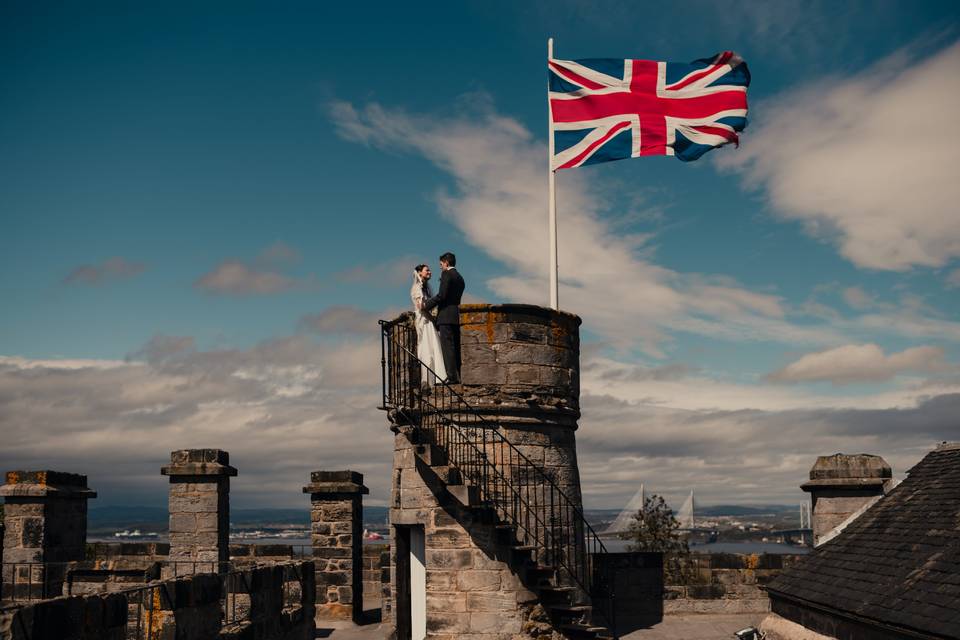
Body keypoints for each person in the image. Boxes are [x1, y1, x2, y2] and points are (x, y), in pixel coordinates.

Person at [421, 252, 465, 383]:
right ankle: (458, 375)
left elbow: (442, 295)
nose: (440, 267)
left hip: (445, 315)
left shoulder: (446, 274)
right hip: (456, 315)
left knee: (447, 348)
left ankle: (452, 377)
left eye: (441, 264)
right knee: (456, 348)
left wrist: (426, 305)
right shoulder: (460, 277)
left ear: (446, 262)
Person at [410, 264, 447, 387]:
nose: (430, 272)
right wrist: (431, 312)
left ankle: (438, 377)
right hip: (424, 321)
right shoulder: (416, 288)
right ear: (420, 273)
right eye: (427, 270)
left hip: (430, 320)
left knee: (434, 347)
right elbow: (421, 306)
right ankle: (427, 380)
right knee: (427, 349)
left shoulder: (426, 288)